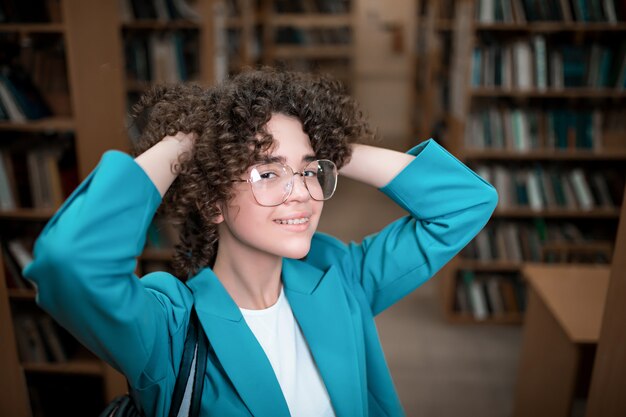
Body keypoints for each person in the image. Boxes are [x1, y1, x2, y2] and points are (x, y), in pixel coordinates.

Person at [23, 68, 498, 417]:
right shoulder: (170, 327)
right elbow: (70, 261)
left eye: (310, 171)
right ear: (213, 202)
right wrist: (186, 144)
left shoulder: (338, 277)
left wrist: (331, 151)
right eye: (268, 173)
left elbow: (464, 204)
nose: (301, 194)